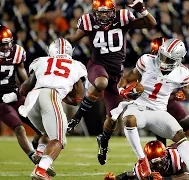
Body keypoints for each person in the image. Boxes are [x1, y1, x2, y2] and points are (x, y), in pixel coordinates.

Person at [110, 38, 189, 179]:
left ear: (178, 60)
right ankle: (142, 160)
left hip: (159, 111)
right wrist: (122, 91)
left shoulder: (181, 73)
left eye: (168, 58)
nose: (163, 60)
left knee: (180, 134)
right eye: (163, 55)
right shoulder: (147, 60)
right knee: (129, 120)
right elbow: (126, 78)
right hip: (139, 106)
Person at [65, 0, 157, 165]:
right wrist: (60, 46)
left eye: (107, 12)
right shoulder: (88, 21)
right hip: (97, 66)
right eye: (100, 12)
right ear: (95, 12)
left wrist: (142, 10)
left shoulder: (122, 18)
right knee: (101, 83)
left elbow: (151, 23)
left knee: (113, 117)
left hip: (116, 72)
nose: (104, 15)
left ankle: (104, 141)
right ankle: (76, 119)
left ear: (113, 12)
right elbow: (73, 38)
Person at [18, 38, 87, 180]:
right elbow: (77, 99)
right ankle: (41, 169)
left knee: (48, 133)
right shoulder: (77, 65)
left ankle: (40, 153)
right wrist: (60, 93)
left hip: (32, 100)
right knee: (59, 139)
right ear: (70, 52)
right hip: (51, 95)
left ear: (50, 50)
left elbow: (24, 89)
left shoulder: (41, 61)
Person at [0, 24, 46, 166]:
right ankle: (34, 158)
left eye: (7, 44)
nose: (5, 48)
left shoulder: (16, 52)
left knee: (42, 125)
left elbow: (24, 78)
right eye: (1, 45)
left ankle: (34, 144)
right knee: (19, 128)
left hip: (14, 95)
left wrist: (30, 87)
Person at [150, 37, 189, 146]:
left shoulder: (169, 60)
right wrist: (175, 96)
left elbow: (175, 62)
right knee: (161, 123)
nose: (163, 58)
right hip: (155, 100)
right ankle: (162, 147)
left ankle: (169, 145)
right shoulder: (149, 63)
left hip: (168, 98)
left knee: (186, 123)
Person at [104, 140, 189, 180]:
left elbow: (188, 176)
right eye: (154, 162)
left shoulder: (175, 156)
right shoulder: (143, 166)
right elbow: (132, 175)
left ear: (165, 155)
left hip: (178, 155)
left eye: (160, 160)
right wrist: (116, 178)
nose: (159, 164)